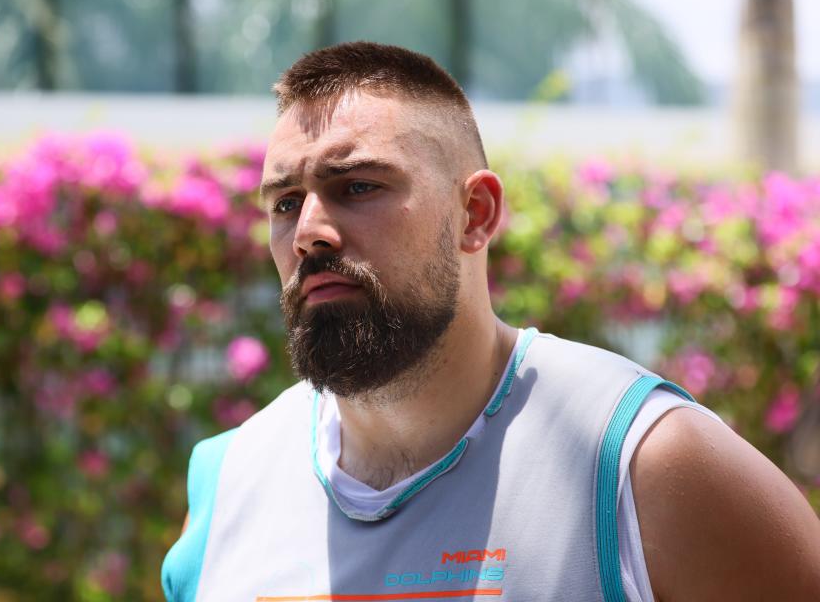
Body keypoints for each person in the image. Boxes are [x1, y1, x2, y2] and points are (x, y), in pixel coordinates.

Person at [161, 41, 820, 602]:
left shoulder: (645, 464)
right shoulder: (229, 484)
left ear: (475, 214)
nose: (308, 233)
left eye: (358, 186)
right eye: (284, 202)